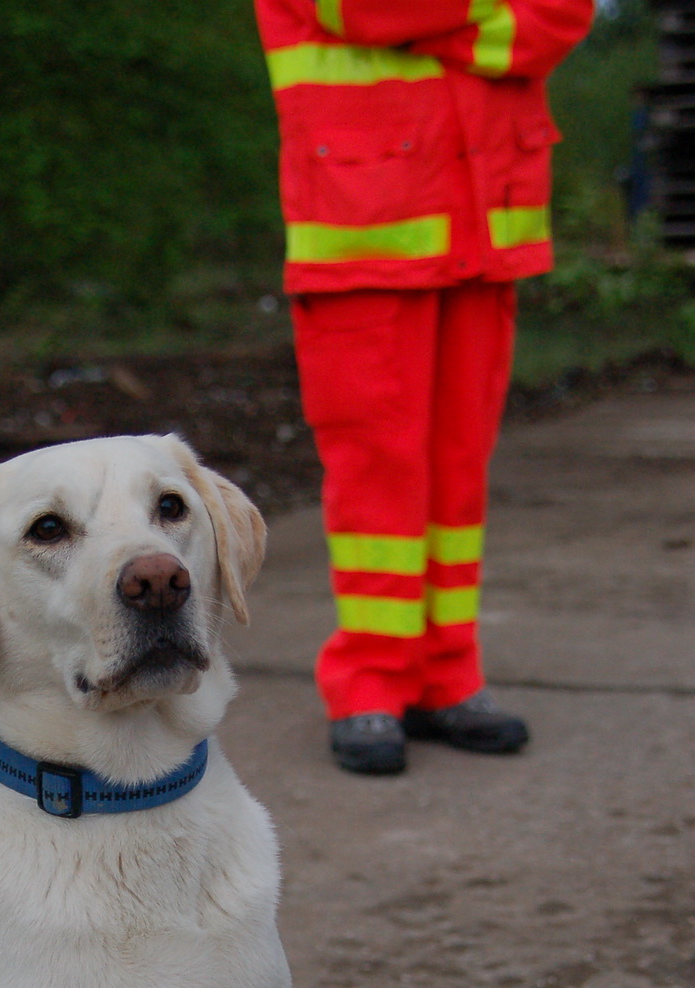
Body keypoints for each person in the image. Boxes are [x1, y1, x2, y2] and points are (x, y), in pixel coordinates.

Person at [254, 0, 594, 773]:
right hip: (362, 229)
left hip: (486, 227)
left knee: (457, 474)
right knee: (376, 475)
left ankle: (448, 675)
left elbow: (560, 17)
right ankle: (368, 682)